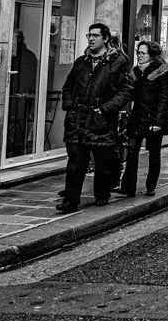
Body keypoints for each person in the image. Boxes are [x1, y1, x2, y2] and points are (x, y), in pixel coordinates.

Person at [57, 22, 134, 213]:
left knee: (102, 163)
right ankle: (70, 201)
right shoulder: (82, 61)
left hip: (101, 120)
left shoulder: (118, 62)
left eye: (95, 36)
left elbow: (126, 90)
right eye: (89, 35)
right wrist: (69, 105)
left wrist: (106, 109)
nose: (91, 39)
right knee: (75, 162)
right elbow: (68, 87)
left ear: (106, 39)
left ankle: (102, 194)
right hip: (78, 119)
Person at [118, 40, 168, 198]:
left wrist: (158, 122)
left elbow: (164, 98)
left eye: (142, 53)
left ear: (151, 55)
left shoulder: (161, 71)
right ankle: (129, 187)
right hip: (137, 116)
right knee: (132, 151)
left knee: (154, 154)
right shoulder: (135, 72)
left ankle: (151, 186)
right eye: (138, 52)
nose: (139, 56)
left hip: (154, 118)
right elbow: (131, 94)